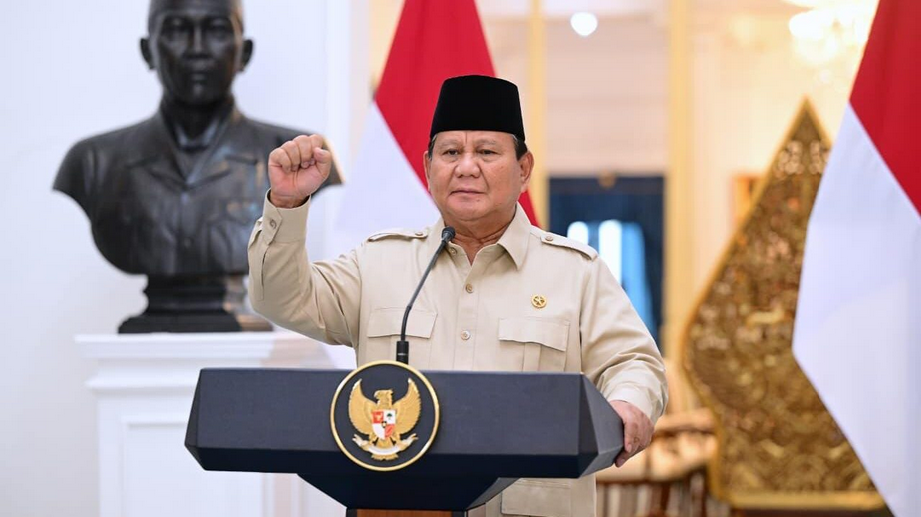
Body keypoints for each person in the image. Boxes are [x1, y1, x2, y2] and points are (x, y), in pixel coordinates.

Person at [248, 75, 667, 517]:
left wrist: (628, 403)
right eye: (451, 153)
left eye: (486, 152)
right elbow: (280, 299)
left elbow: (633, 362)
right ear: (428, 167)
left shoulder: (575, 272)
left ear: (524, 169)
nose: (466, 167)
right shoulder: (379, 263)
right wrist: (286, 205)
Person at [54, 0, 339, 278]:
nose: (197, 49)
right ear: (147, 51)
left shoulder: (303, 161)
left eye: (216, 30)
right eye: (177, 29)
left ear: (244, 53)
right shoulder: (93, 163)